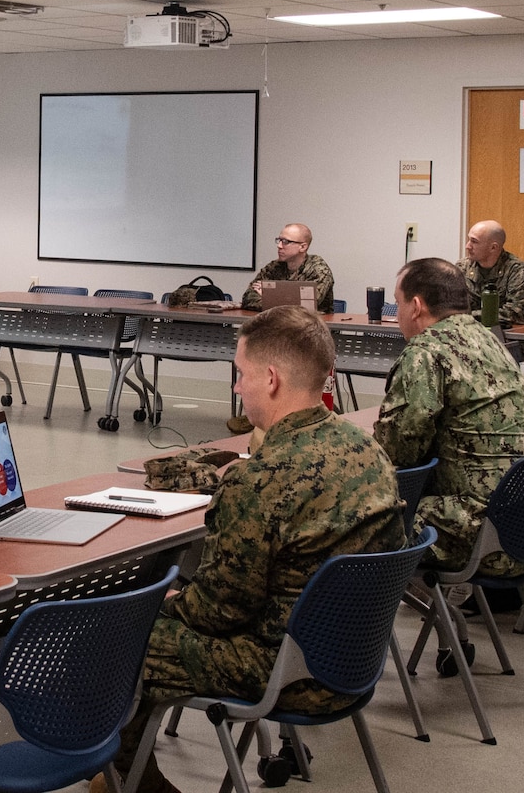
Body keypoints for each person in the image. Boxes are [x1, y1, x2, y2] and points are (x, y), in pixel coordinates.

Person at [108, 306, 404, 793]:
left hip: (286, 673)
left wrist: (170, 604)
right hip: (350, 660)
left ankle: (128, 780)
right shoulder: (367, 449)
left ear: (270, 379)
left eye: (240, 374)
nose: (236, 387)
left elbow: (218, 613)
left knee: (125, 635)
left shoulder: (262, 478)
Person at [375, 258, 524, 576]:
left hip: (473, 530)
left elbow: (400, 451)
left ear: (415, 306)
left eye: (397, 304)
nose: (397, 314)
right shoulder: (491, 340)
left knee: (353, 518)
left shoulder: (425, 352)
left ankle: (347, 621)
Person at [239, 223, 335, 313]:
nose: (279, 246)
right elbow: (248, 298)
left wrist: (270, 297)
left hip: (311, 327)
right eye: (279, 240)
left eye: (285, 242)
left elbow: (305, 307)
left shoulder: (318, 269)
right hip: (277, 325)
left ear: (302, 247)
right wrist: (281, 301)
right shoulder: (274, 267)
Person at [456, 219, 524, 326]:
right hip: (467, 331)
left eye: (474, 241)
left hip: (504, 335)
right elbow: (449, 305)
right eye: (469, 240)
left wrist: (470, 316)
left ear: (493, 247)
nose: (467, 246)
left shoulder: (516, 270)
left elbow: (520, 312)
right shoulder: (462, 267)